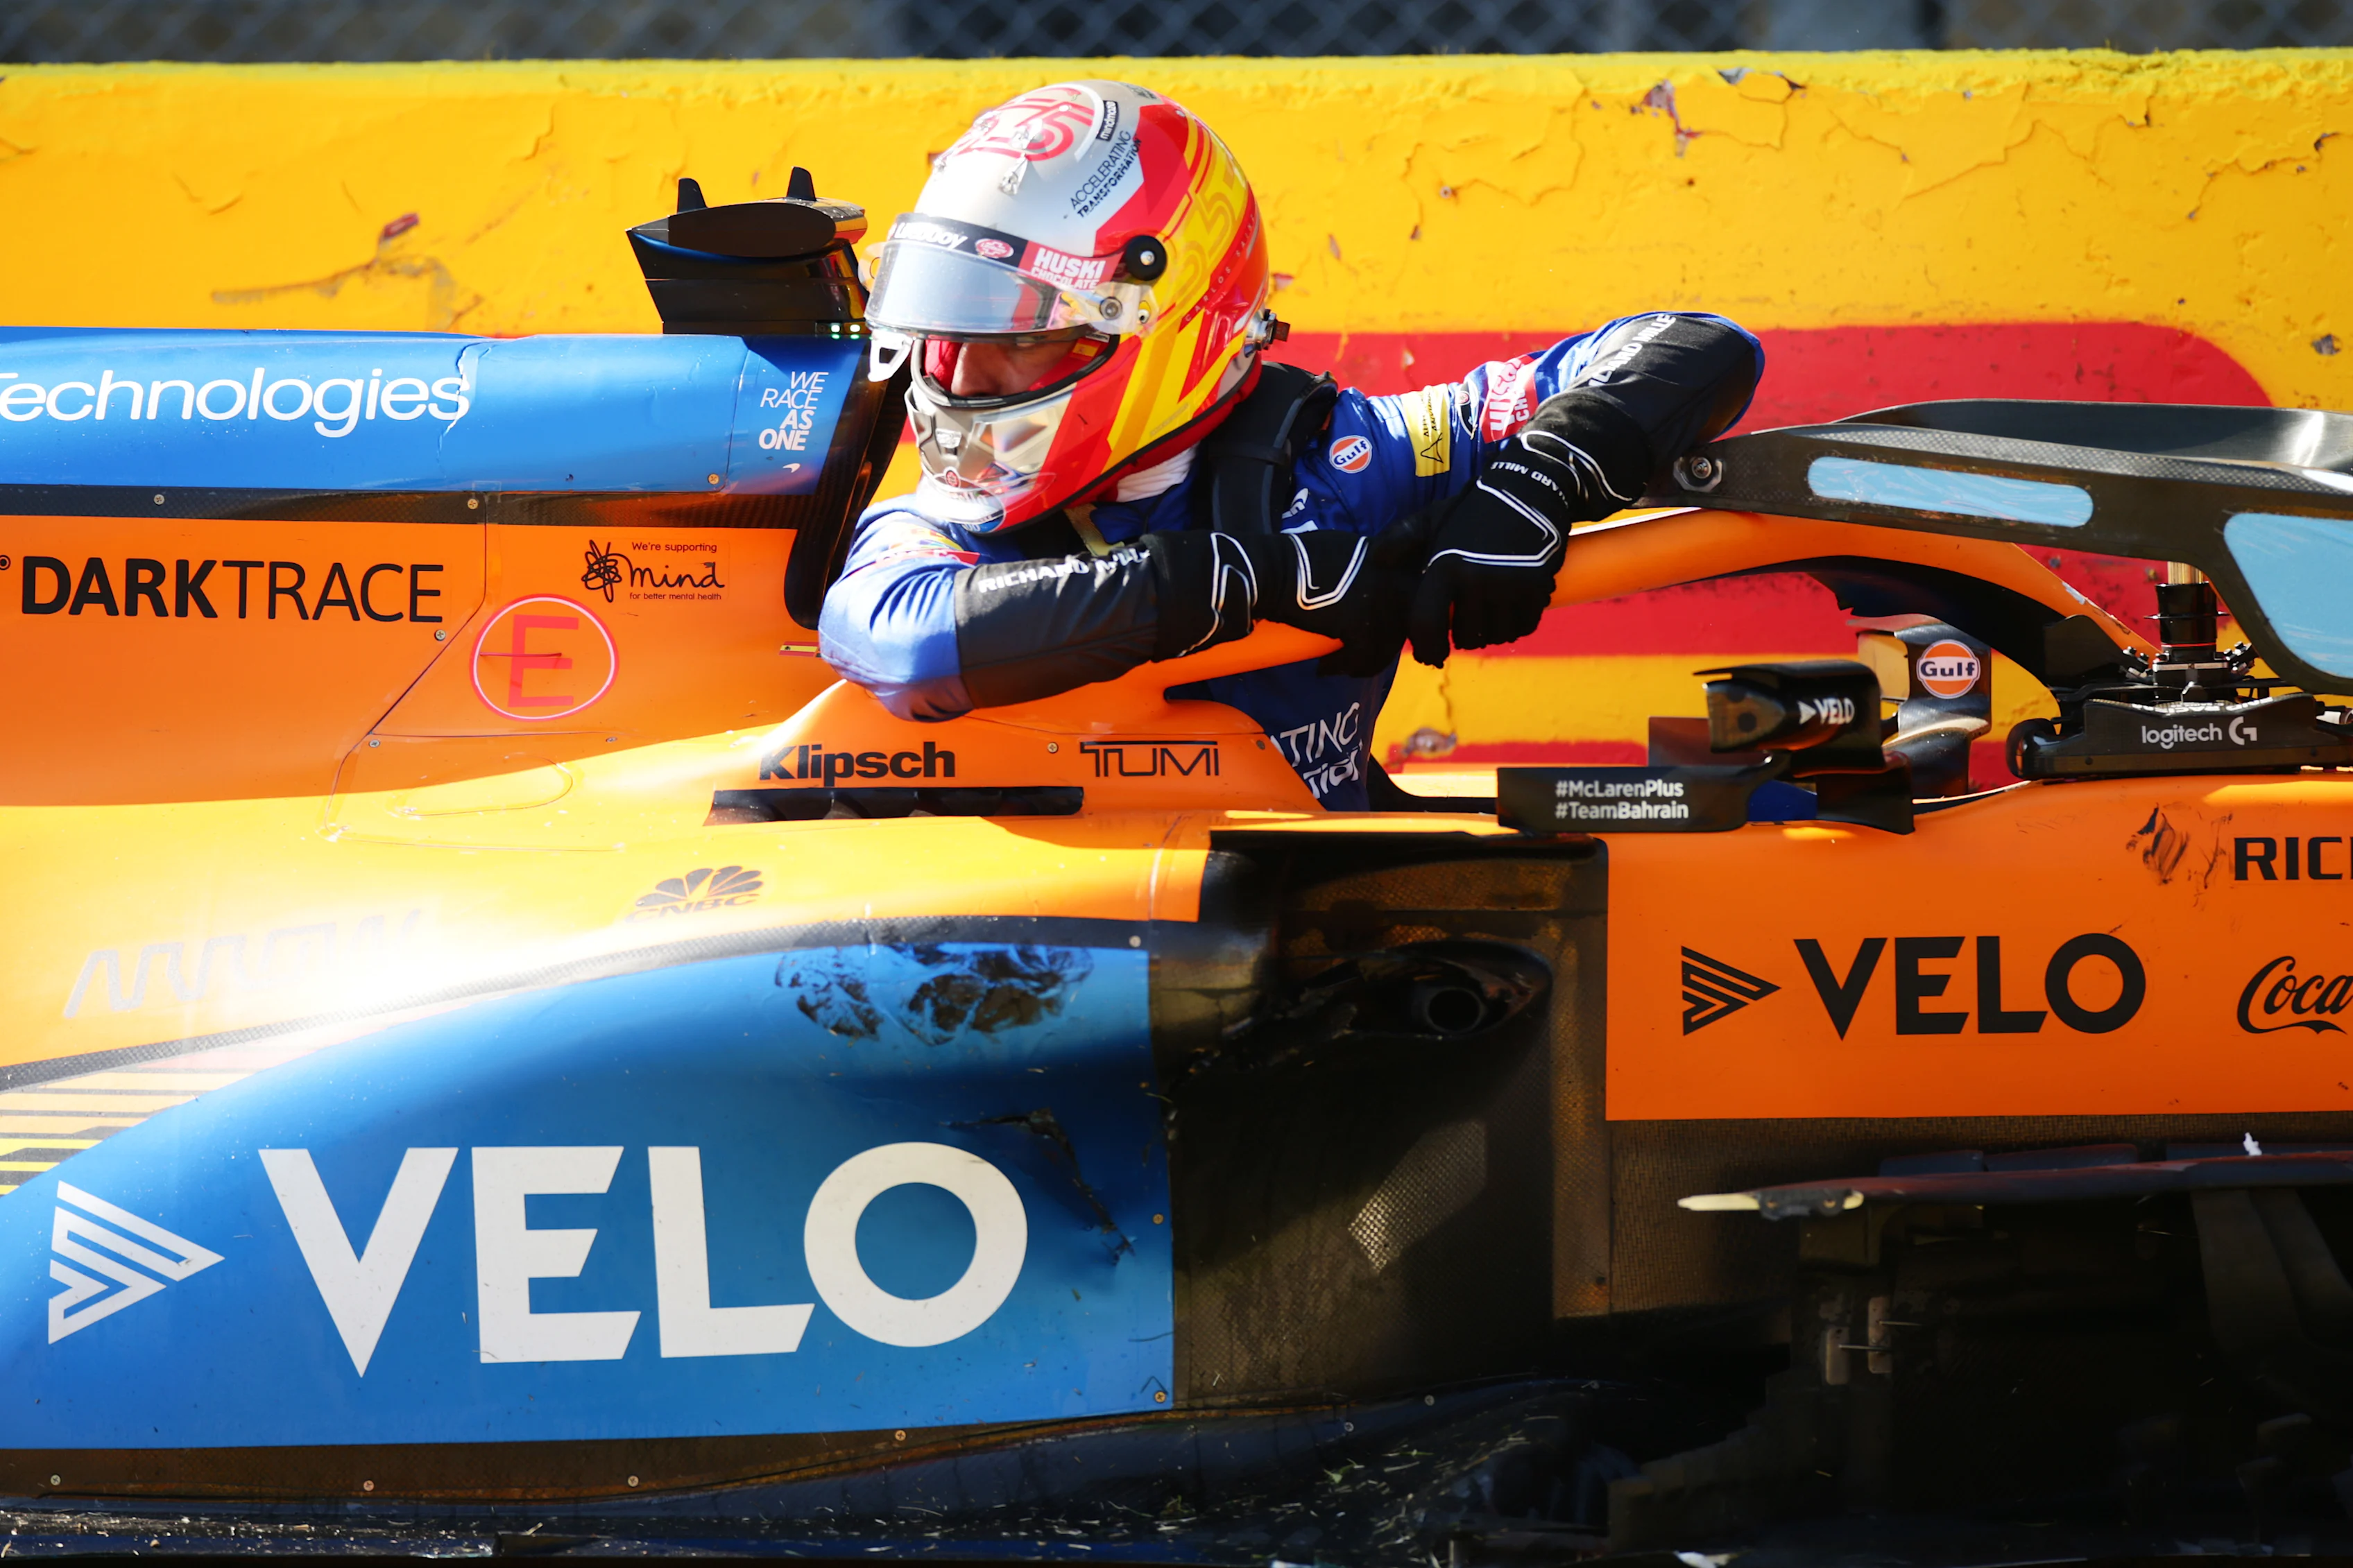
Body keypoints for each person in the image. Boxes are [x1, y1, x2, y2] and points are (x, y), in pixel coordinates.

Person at [819, 80, 1762, 810]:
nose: (964, 382)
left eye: (1018, 336)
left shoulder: (1348, 459)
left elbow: (1700, 347)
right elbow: (901, 640)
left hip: (1316, 955)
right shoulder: (941, 525)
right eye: (948, 336)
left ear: (1172, 320)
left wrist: (1539, 477)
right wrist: (1258, 578)